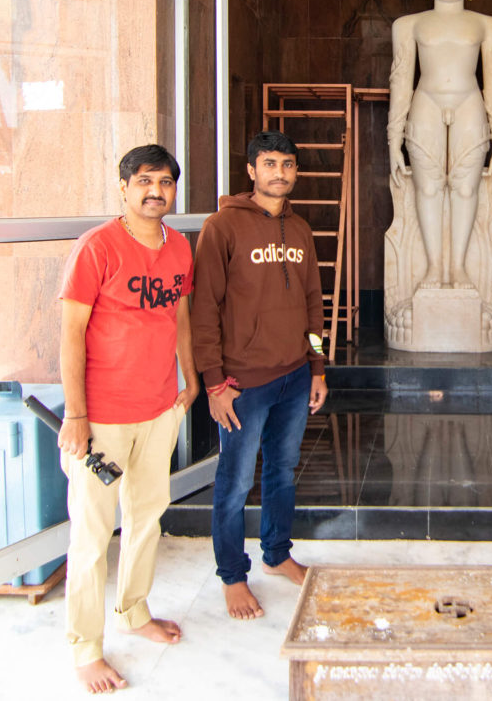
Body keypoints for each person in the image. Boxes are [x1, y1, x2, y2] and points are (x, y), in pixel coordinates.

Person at [58, 144, 198, 693]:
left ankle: (134, 611)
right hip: (103, 418)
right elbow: (71, 333)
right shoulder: (98, 248)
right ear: (123, 187)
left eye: (164, 182)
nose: (154, 191)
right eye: (144, 181)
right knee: (92, 536)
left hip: (159, 409)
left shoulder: (180, 246)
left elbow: (180, 314)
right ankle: (85, 648)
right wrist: (76, 415)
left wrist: (189, 381)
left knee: (147, 517)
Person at [192, 130, 328, 621]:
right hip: (243, 383)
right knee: (234, 480)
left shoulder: (303, 231)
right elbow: (203, 310)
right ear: (251, 171)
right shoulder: (222, 227)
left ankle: (276, 554)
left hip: (294, 376)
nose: (280, 173)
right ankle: (232, 574)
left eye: (288, 165)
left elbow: (314, 305)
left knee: (281, 471)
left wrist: (317, 366)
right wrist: (213, 382)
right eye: (269, 164)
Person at [387, 0, 492, 290]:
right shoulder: (408, 26)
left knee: (466, 189)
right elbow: (400, 82)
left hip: (470, 102)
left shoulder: (489, 26)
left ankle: (458, 269)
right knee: (427, 188)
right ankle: (434, 268)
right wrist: (393, 141)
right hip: (426, 102)